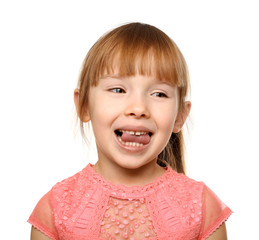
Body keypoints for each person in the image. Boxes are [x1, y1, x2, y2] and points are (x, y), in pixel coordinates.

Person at [28, 22, 232, 240]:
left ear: (180, 115)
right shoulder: (56, 208)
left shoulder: (202, 207)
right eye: (118, 89)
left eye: (159, 94)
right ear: (84, 105)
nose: (138, 108)